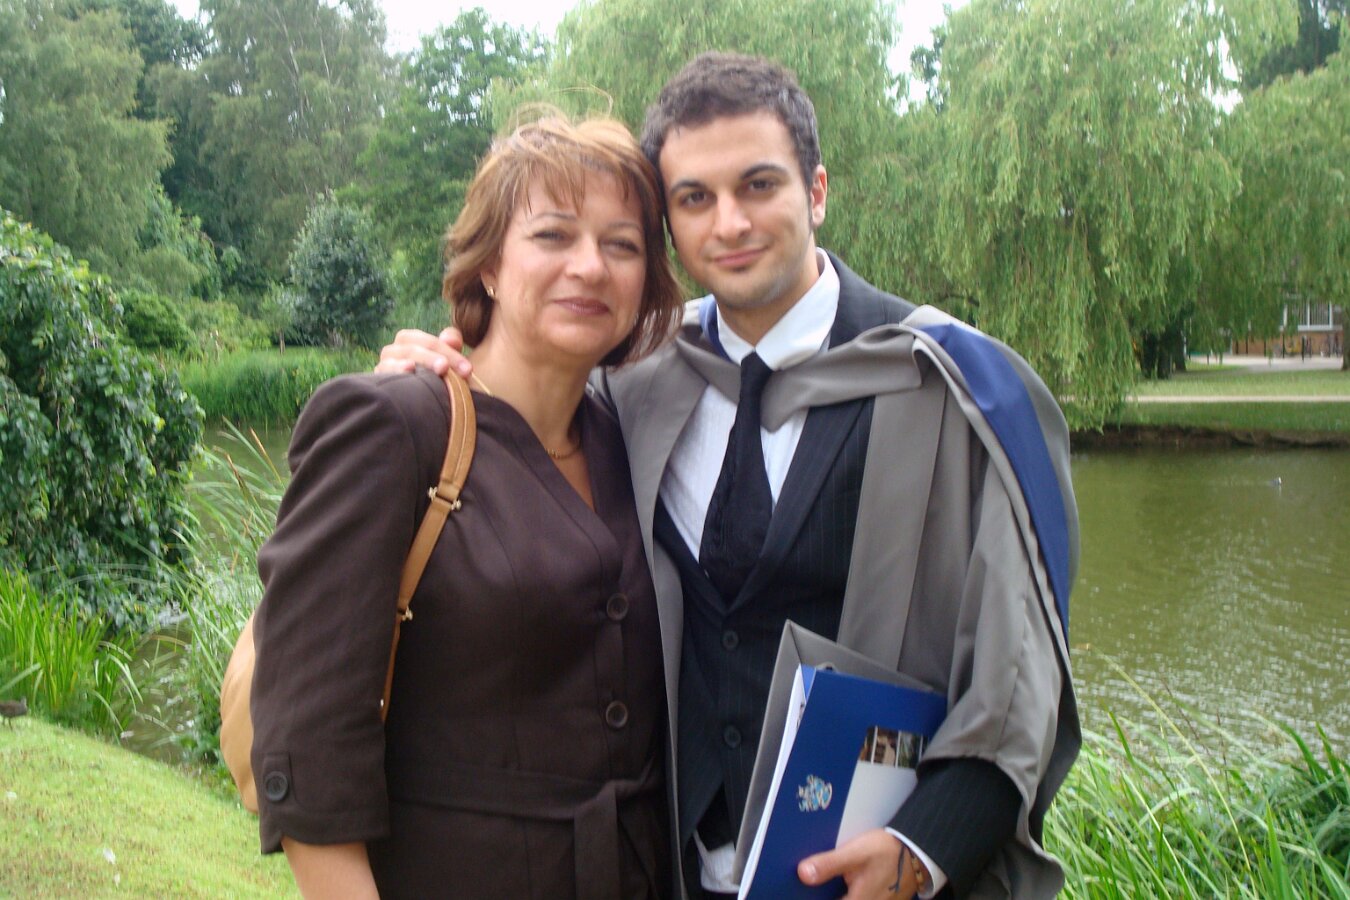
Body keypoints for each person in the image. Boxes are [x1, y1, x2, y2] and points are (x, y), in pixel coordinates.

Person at [379, 53, 1080, 900]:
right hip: (668, 869)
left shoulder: (953, 389)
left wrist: (923, 847)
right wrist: (435, 387)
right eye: (694, 199)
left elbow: (1018, 671)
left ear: (816, 192)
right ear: (670, 227)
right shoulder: (631, 383)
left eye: (759, 185)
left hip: (869, 874)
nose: (730, 223)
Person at [249, 114, 685, 899]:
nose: (590, 266)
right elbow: (308, 742)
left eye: (622, 245)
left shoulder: (634, 440)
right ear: (488, 265)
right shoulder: (394, 426)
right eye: (553, 235)